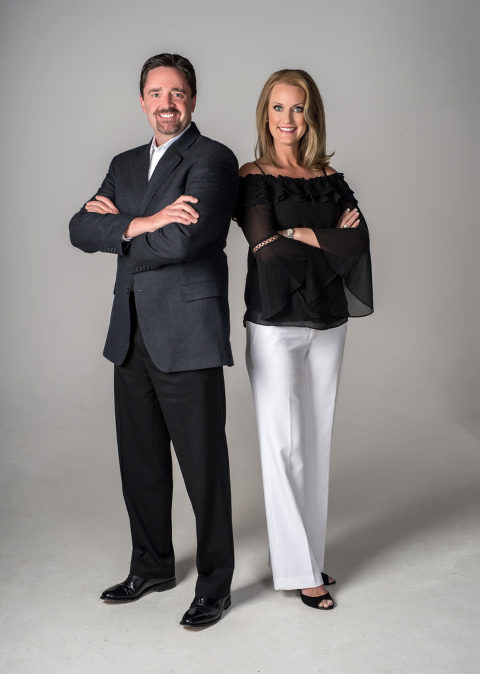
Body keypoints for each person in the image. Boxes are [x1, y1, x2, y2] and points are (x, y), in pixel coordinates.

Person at [69, 53, 238, 628]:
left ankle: (216, 584)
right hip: (131, 332)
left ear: (193, 98)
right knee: (139, 462)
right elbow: (78, 227)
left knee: (203, 465)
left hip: (188, 332)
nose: (168, 103)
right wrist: (143, 222)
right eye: (157, 93)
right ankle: (152, 565)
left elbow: (186, 242)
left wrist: (120, 229)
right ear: (143, 100)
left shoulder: (214, 159)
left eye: (179, 92)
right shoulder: (122, 164)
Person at [235, 69, 373, 610]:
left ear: (310, 114)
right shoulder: (253, 175)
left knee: (316, 441)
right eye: (278, 108)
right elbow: (263, 247)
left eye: (298, 108)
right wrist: (324, 237)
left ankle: (307, 555)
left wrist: (297, 231)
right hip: (274, 321)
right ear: (265, 114)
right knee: (284, 444)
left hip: (329, 321)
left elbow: (360, 241)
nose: (287, 119)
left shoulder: (328, 174)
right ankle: (298, 570)